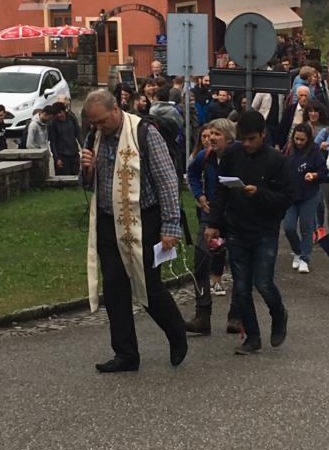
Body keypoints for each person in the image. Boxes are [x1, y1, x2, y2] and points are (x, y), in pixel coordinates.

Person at [79, 89, 189, 373]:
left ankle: (176, 331)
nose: (99, 127)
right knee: (114, 287)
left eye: (103, 121)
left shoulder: (144, 133)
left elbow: (167, 181)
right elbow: (88, 183)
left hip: (144, 218)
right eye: (95, 123)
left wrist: (170, 226)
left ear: (116, 109)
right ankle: (126, 353)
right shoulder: (95, 136)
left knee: (148, 285)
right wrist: (87, 170)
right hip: (108, 220)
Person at [208, 110, 293, 354]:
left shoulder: (276, 161)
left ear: (263, 134)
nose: (246, 144)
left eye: (251, 139)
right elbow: (221, 190)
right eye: (242, 139)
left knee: (263, 283)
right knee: (241, 287)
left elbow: (287, 197)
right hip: (237, 229)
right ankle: (252, 336)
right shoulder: (232, 154)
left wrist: (260, 193)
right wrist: (213, 223)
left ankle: (278, 314)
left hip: (265, 230)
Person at [184, 120, 235, 335]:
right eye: (210, 133)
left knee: (239, 266)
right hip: (209, 214)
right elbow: (192, 174)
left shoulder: (239, 156)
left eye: (217, 134)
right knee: (200, 262)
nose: (211, 138)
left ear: (230, 138)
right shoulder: (205, 156)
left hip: (234, 216)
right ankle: (202, 315)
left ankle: (237, 316)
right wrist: (199, 195)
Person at [282, 123, 328, 275]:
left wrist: (314, 175)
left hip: (309, 194)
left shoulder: (315, 151)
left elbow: (323, 171)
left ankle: (305, 258)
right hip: (291, 194)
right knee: (288, 227)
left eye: (302, 139)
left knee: (306, 226)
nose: (299, 142)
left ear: (308, 139)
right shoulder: (288, 149)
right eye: (296, 139)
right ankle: (297, 250)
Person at [45, 99, 82, 177]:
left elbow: (78, 134)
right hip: (62, 156)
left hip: (74, 153)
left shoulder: (71, 118)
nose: (59, 115)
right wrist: (56, 158)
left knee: (76, 177)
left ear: (64, 111)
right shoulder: (53, 124)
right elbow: (53, 142)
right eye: (56, 114)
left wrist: (84, 148)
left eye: (60, 112)